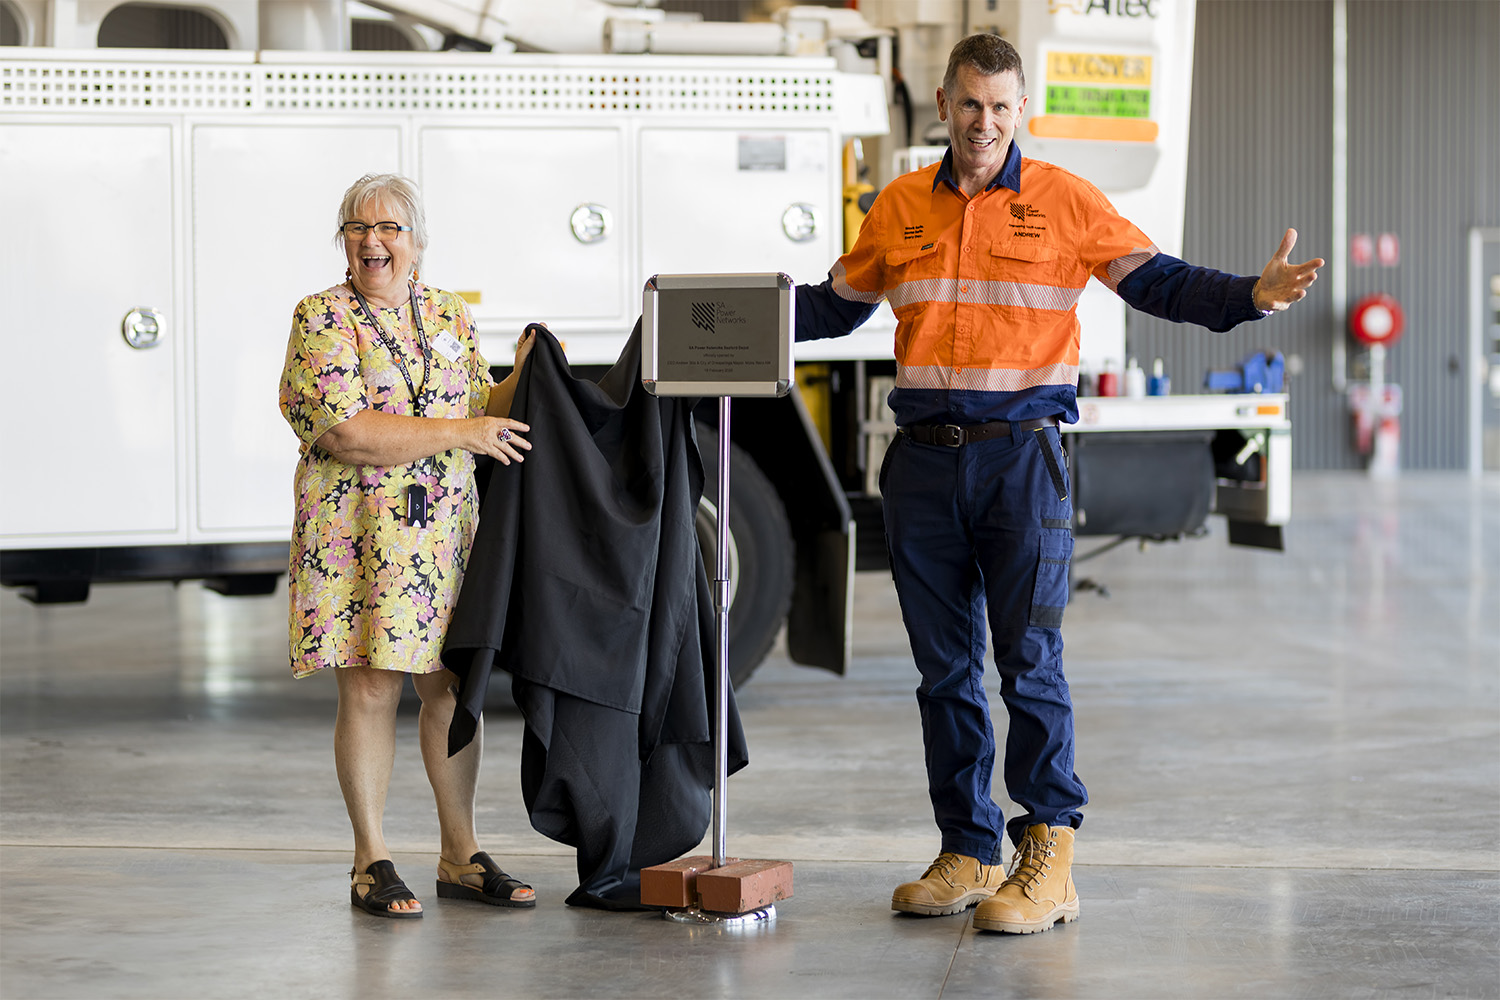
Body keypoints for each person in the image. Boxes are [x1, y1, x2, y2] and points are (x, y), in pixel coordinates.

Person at [795, 34, 1323, 935]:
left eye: (1001, 108)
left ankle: (1050, 854)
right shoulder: (898, 207)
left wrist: (1251, 296)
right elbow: (834, 304)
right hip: (922, 462)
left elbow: (1158, 281)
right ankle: (968, 847)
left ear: (1021, 110)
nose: (984, 123)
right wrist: (721, 313)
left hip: (1021, 460)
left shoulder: (1063, 200)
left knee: (1027, 663)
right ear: (943, 103)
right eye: (970, 104)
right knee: (942, 671)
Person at [278, 173, 539, 919]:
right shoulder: (322, 317)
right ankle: (371, 860)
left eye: (389, 227)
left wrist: (525, 374)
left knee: (451, 689)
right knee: (369, 687)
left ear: (417, 242)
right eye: (358, 228)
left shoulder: (451, 315)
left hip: (442, 536)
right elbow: (347, 432)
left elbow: (475, 405)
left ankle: (460, 854)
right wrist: (467, 432)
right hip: (358, 534)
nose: (372, 240)